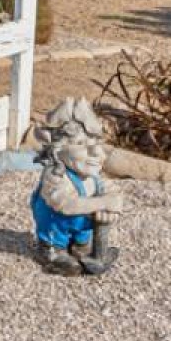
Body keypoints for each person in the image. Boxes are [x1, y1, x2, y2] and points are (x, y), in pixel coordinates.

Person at [30, 98, 126, 275]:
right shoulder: (55, 176)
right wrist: (104, 203)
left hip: (82, 229)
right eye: (81, 145)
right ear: (58, 150)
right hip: (55, 228)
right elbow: (66, 204)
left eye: (96, 144)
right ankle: (51, 251)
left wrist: (111, 210)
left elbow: (113, 194)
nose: (96, 153)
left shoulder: (93, 176)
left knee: (86, 238)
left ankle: (81, 247)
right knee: (57, 239)